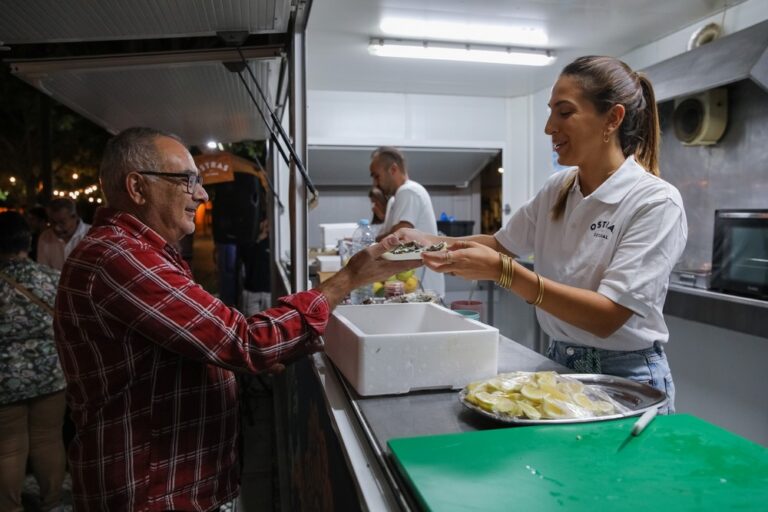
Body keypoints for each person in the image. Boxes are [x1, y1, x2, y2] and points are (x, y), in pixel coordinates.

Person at [53, 127, 414, 511]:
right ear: (138, 188)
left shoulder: (141, 252)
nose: (202, 194)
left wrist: (275, 349)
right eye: (187, 180)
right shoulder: (119, 258)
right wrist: (348, 278)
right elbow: (244, 340)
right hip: (151, 492)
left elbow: (204, 337)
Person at [397, 56, 687, 413]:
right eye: (551, 113)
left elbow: (606, 317)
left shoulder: (655, 201)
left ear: (612, 118)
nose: (550, 127)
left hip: (627, 379)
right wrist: (427, 242)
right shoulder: (559, 188)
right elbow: (501, 244)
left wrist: (505, 272)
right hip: (560, 365)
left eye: (564, 113)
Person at [0, 211, 67, 512]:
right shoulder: (52, 279)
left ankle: (10, 507)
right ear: (27, 242)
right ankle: (52, 501)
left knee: (9, 448)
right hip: (51, 375)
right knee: (49, 439)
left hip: (5, 381)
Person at [369, 146, 445, 297]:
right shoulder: (395, 198)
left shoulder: (409, 192)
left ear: (393, 169)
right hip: (409, 286)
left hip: (421, 288)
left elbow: (399, 236)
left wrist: (368, 243)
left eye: (377, 176)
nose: (375, 183)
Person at [37, 197, 91, 270]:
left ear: (75, 217)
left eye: (62, 222)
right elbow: (43, 270)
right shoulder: (45, 237)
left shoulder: (92, 235)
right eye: (53, 222)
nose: (57, 228)